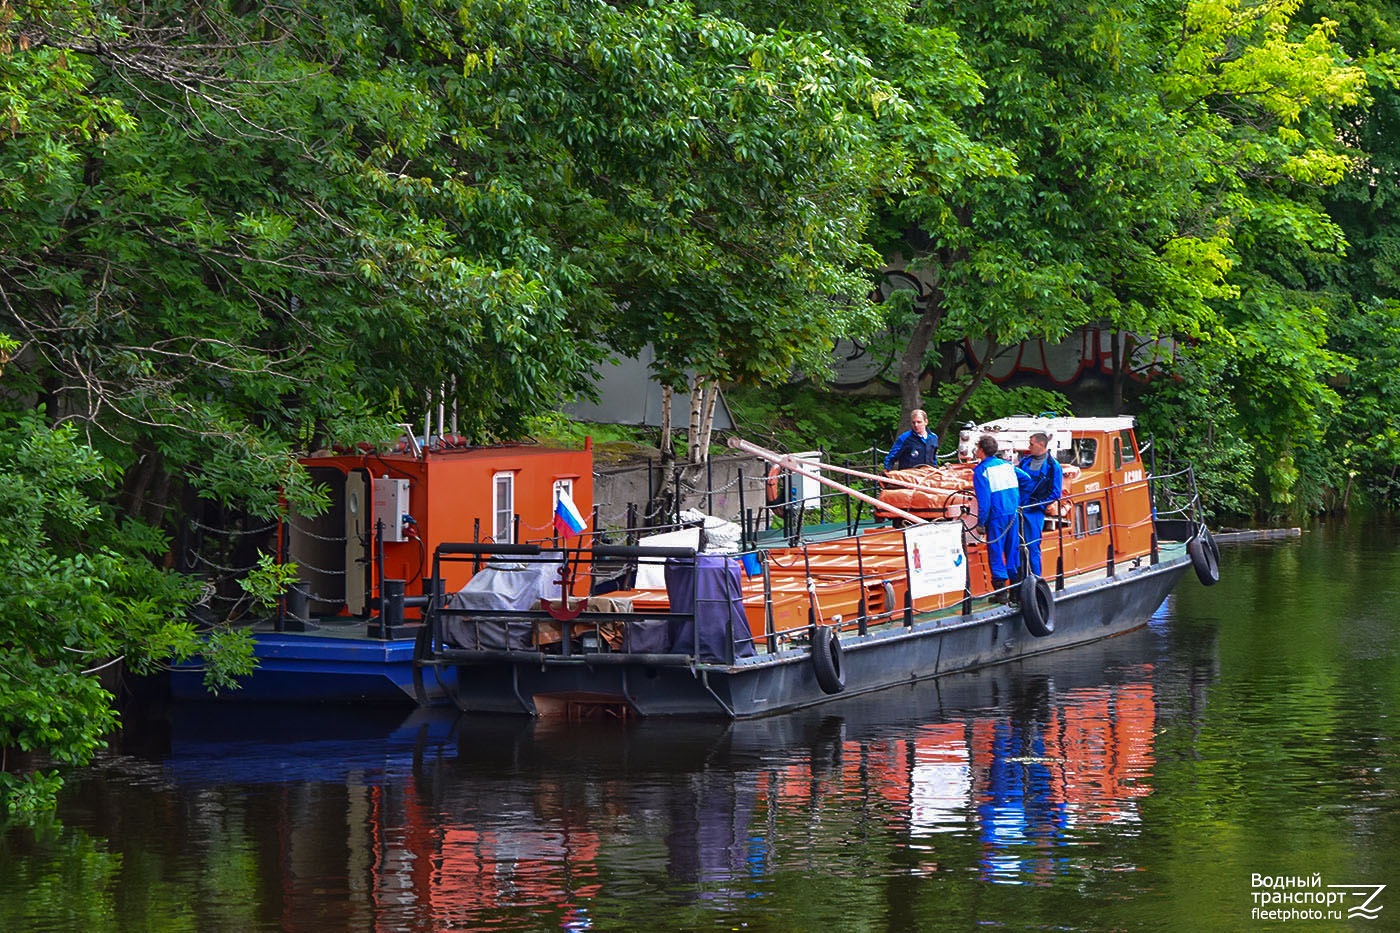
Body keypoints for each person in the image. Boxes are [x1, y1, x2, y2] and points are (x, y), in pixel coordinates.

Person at [972, 434, 1028, 600]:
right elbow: (1027, 479)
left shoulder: (981, 471)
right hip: (1013, 513)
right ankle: (1016, 591)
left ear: (981, 450)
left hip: (997, 515)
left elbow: (984, 500)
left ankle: (1000, 593)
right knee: (1012, 550)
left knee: (996, 551)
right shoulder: (1007, 465)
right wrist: (1017, 497)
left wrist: (981, 522)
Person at [1017, 432, 1064, 578]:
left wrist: (1037, 504)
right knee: (1017, 547)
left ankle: (1036, 580)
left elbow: (1056, 493)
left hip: (1034, 511)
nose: (1029, 446)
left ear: (1041, 444)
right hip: (1019, 508)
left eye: (1031, 444)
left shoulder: (1053, 466)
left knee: (1032, 547)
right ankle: (1020, 581)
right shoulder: (1025, 462)